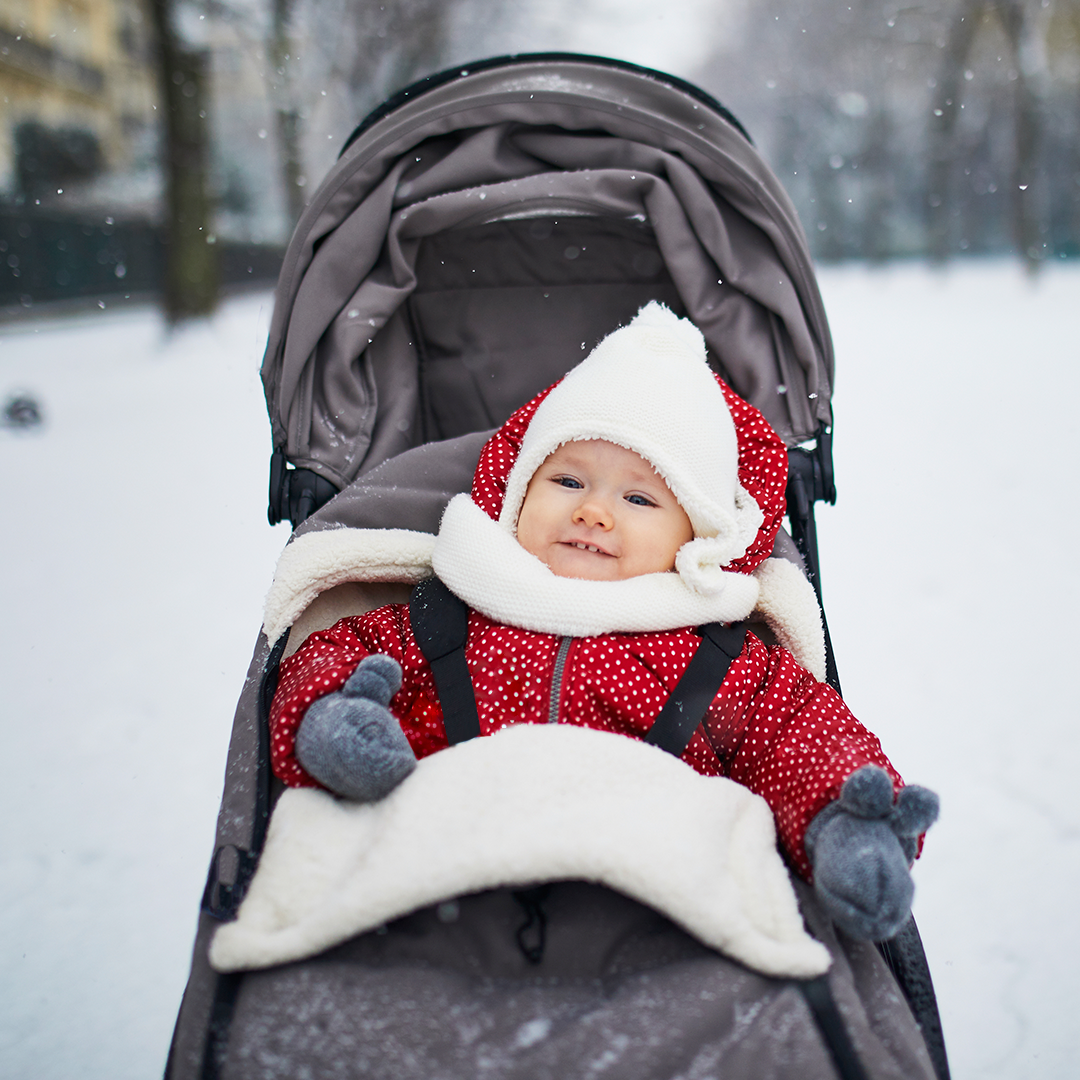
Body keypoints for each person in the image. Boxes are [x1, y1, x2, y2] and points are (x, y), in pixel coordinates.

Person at [269, 302, 937, 942]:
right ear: (517, 493)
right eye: (565, 482)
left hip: (658, 907)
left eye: (639, 497)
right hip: (442, 887)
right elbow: (331, 654)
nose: (593, 512)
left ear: (696, 536)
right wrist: (327, 718)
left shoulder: (720, 657)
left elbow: (799, 737)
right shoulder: (449, 612)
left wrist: (842, 820)